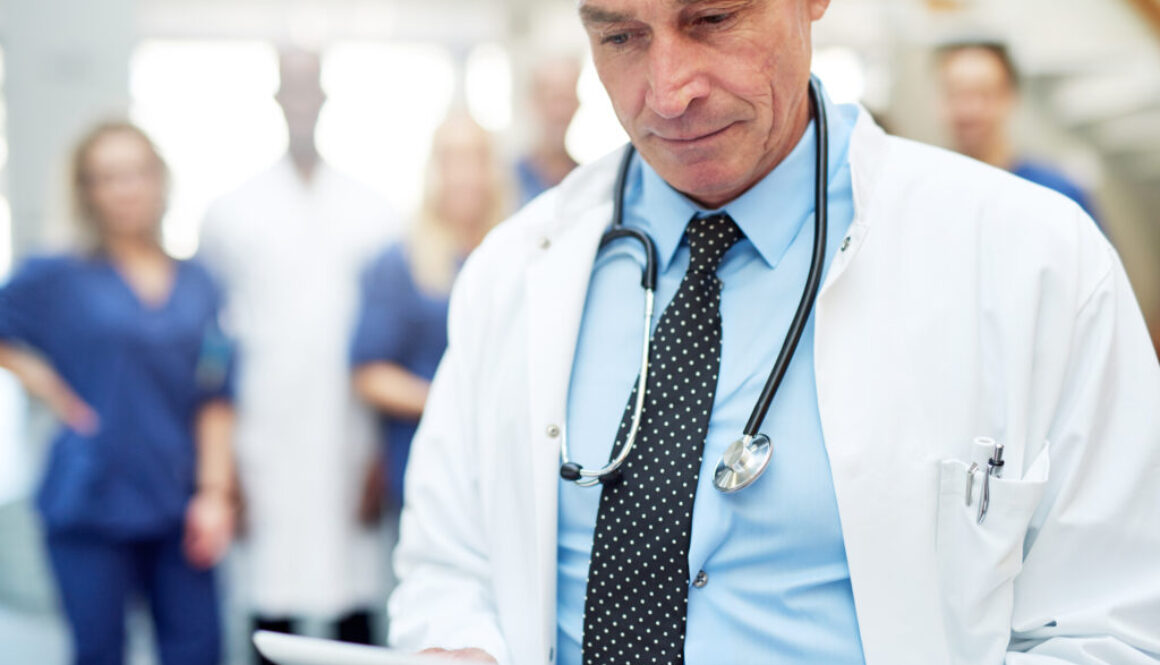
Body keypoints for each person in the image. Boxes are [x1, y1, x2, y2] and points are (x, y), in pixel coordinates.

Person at [387, 0, 1160, 664]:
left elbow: (1113, 624)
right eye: (620, 35)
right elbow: (448, 559)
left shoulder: (1036, 261)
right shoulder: (514, 269)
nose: (667, 93)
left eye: (714, 18)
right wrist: (460, 641)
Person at [0, 121, 236, 665]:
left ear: (160, 180)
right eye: (107, 178)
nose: (126, 189)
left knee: (199, 648)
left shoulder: (201, 283)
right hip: (90, 494)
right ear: (87, 192)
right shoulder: (57, 276)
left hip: (179, 497)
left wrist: (216, 492)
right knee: (99, 650)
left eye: (136, 173)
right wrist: (47, 386)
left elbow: (216, 393)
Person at [198, 48, 396, 660]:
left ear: (327, 100)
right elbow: (215, 345)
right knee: (271, 602)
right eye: (293, 90)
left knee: (356, 597)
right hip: (265, 440)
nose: (303, 103)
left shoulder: (375, 213)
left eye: (314, 90)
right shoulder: (232, 212)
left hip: (351, 436)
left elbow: (386, 346)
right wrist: (225, 472)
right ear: (278, 99)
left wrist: (379, 460)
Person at [350, 112, 506, 540]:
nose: (464, 175)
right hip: (430, 467)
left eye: (477, 158)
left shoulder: (516, 254)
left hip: (505, 471)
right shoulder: (398, 263)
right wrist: (454, 401)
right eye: (451, 159)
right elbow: (367, 373)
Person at [936, 40, 1101, 224]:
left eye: (984, 94)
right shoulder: (932, 196)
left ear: (1010, 98)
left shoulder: (1056, 194)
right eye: (956, 94)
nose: (969, 110)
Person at [514, 57, 582, 206]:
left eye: (567, 99)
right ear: (533, 102)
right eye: (554, 98)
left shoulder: (585, 179)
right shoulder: (508, 181)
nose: (560, 111)